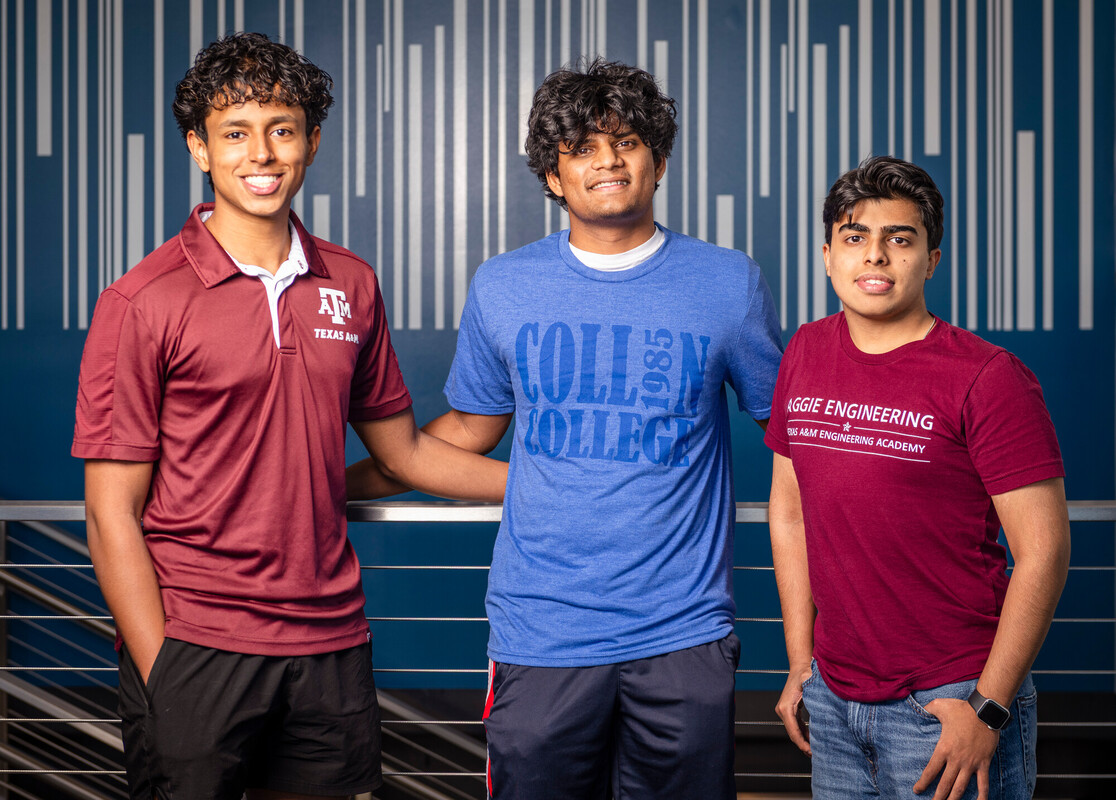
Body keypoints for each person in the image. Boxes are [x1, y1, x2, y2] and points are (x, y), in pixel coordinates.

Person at [72, 32, 506, 800]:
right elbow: (112, 512)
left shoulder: (353, 282)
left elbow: (403, 453)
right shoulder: (142, 300)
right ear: (199, 148)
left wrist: (556, 483)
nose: (261, 153)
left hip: (332, 643)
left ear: (309, 143)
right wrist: (160, 669)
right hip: (197, 643)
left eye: (282, 129)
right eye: (234, 133)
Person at [351, 58, 783, 799]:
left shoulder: (727, 282)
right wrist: (320, 481)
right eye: (583, 147)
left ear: (660, 159)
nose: (608, 160)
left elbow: (795, 430)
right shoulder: (504, 285)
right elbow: (466, 430)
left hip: (684, 633)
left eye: (628, 141)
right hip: (542, 632)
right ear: (552, 177)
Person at [765, 156, 1070, 800]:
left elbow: (1044, 551)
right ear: (828, 255)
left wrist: (989, 708)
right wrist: (802, 665)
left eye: (899, 239)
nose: (874, 257)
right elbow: (789, 512)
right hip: (836, 699)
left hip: (950, 703)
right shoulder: (806, 351)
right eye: (855, 237)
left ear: (930, 260)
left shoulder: (989, 378)